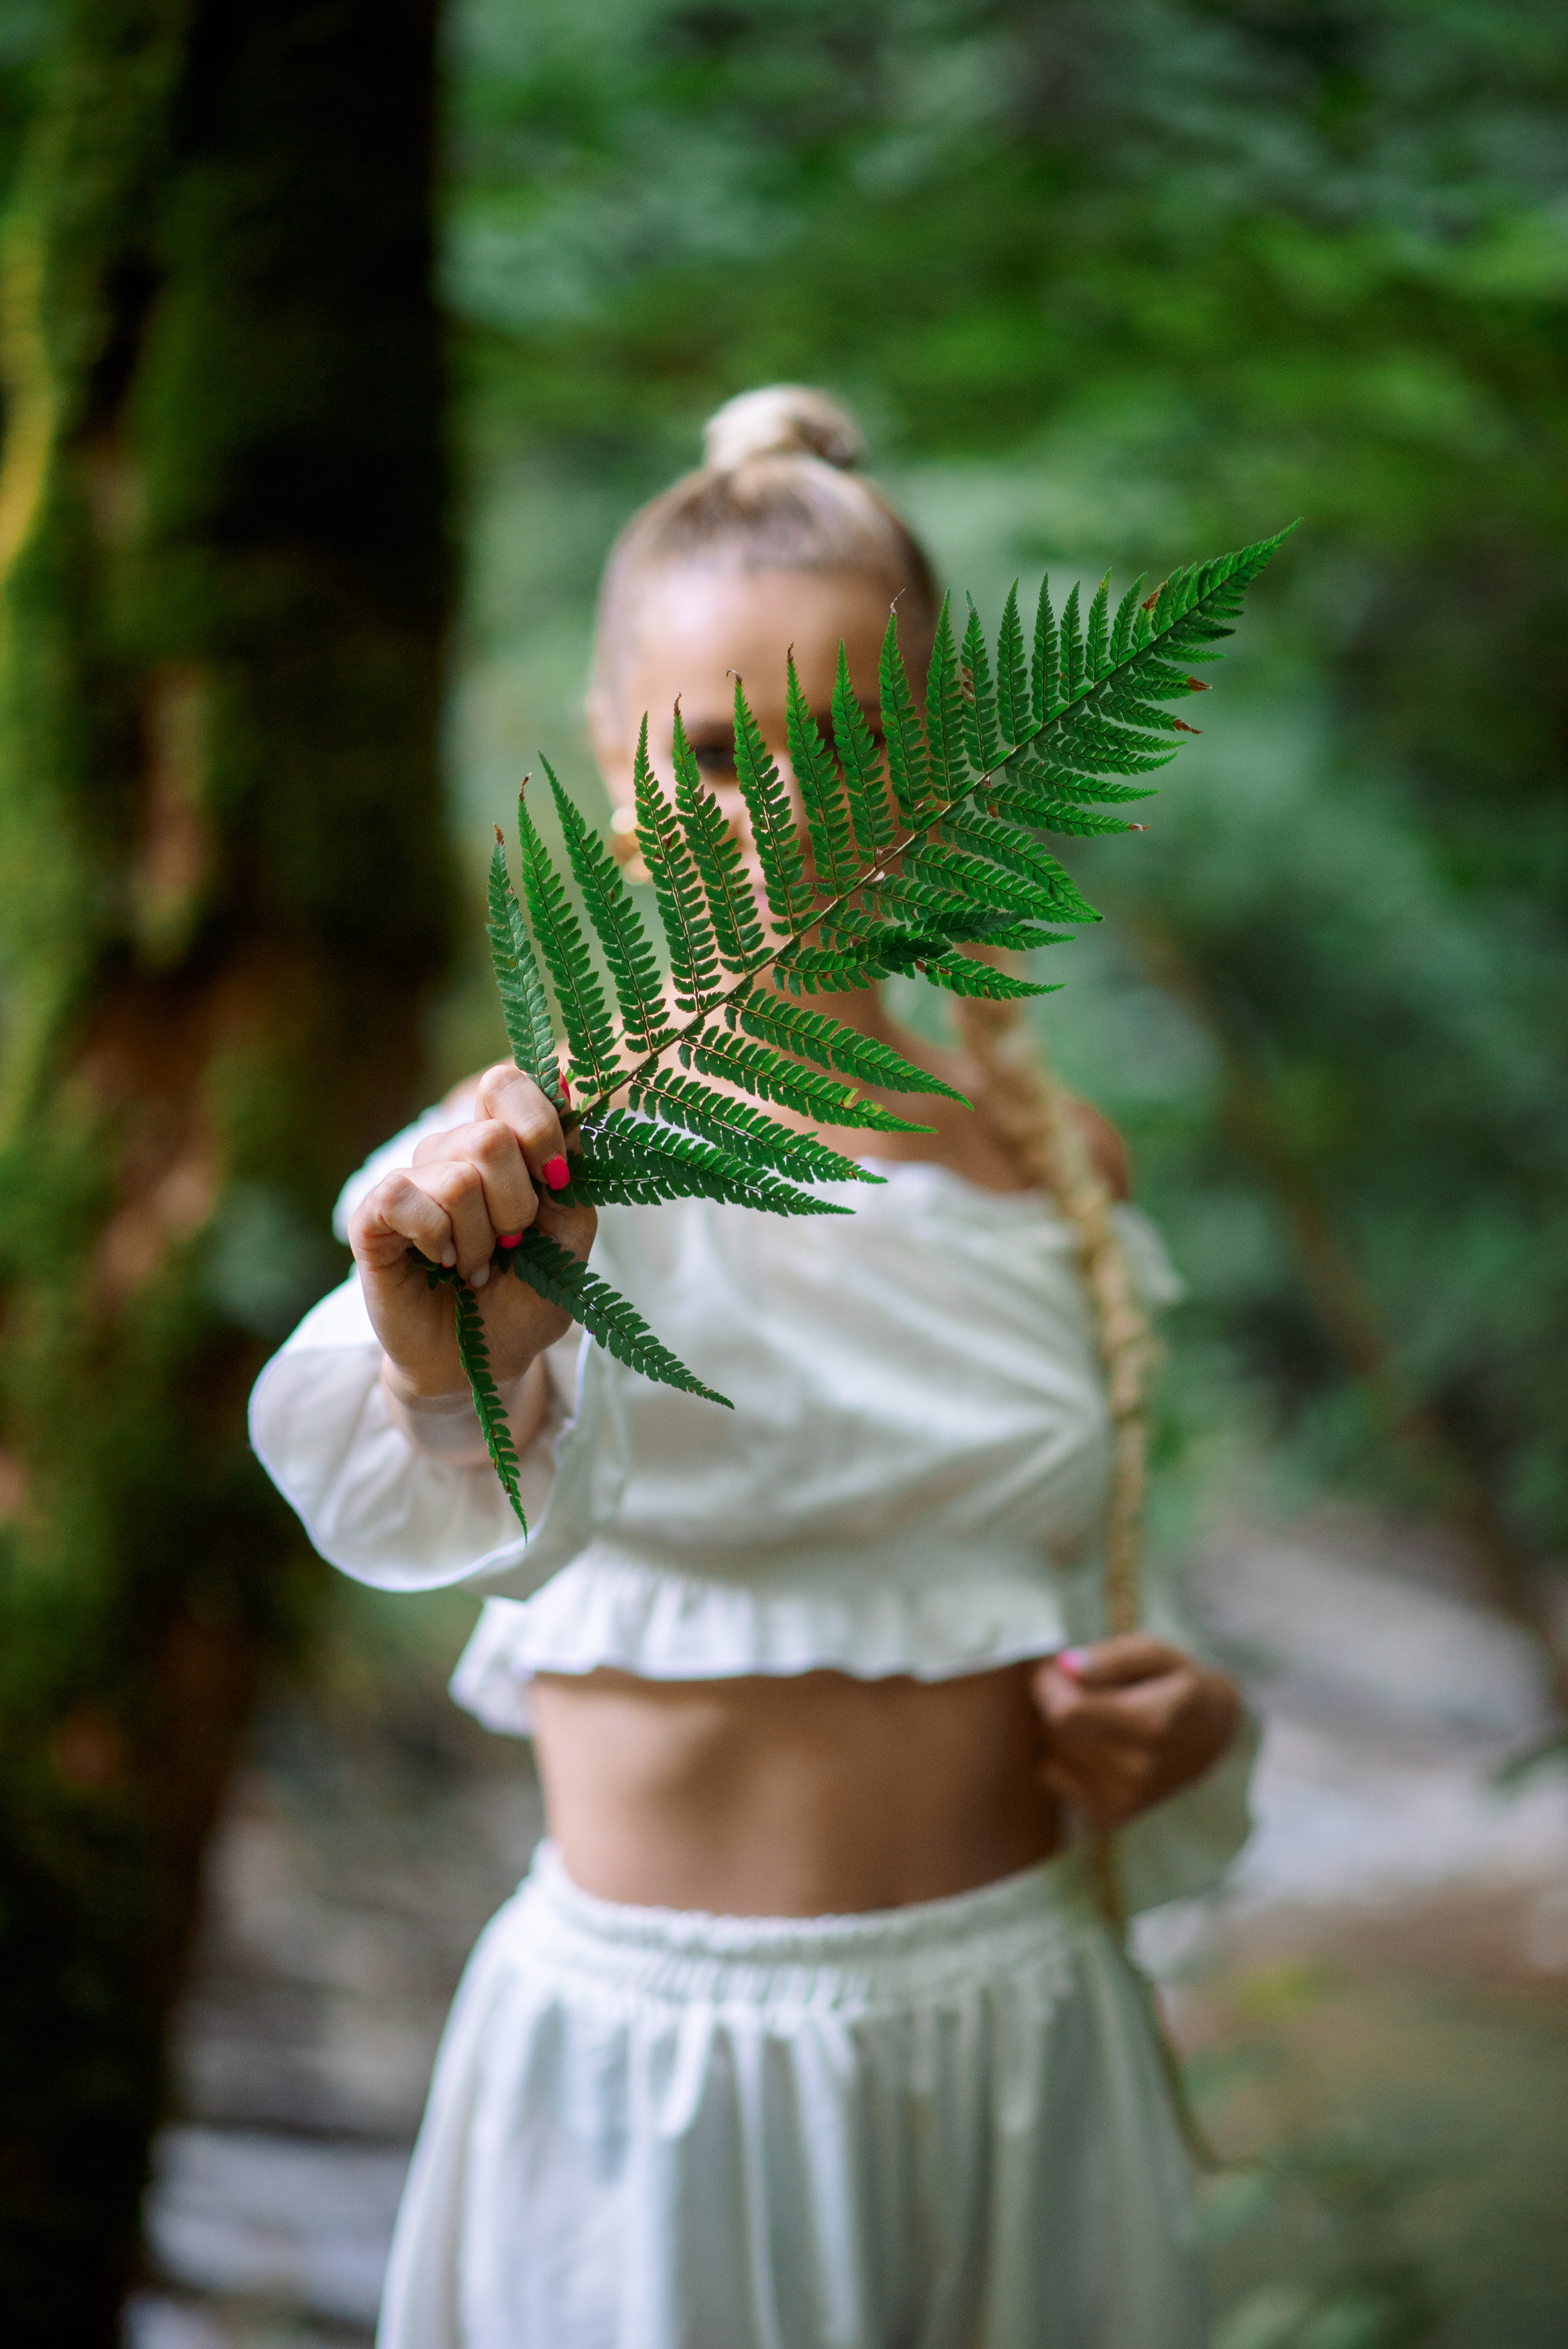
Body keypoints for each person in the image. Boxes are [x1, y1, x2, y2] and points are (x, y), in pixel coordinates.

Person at [251, 385, 1253, 2349]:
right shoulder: (530, 1165)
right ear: (612, 766)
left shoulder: (1043, 1159)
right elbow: (432, 1465)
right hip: (660, 2089)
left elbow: (1086, 1577)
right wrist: (462, 1338)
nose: (777, 812)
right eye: (714, 752)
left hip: (1023, 2035)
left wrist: (1191, 1735)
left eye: (850, 742)